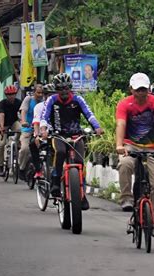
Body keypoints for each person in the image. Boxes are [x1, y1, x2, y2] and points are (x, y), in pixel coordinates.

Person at [40, 73, 103, 210]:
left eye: (66, 88)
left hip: (76, 136)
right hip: (58, 135)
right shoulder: (51, 100)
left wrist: (97, 127)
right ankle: (56, 181)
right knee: (61, 152)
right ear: (56, 89)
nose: (63, 91)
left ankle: (81, 194)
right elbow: (44, 117)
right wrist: (43, 129)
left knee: (80, 162)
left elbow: (89, 114)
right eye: (60, 88)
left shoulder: (78, 99)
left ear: (70, 88)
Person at [115, 73, 154, 237]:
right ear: (131, 89)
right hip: (131, 146)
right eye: (138, 90)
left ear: (149, 89)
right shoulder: (125, 104)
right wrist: (119, 145)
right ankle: (126, 198)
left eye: (144, 89)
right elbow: (121, 123)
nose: (141, 93)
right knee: (124, 165)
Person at [18, 84, 43, 180]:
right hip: (28, 129)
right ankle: (22, 168)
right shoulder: (28, 99)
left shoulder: (44, 102)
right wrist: (24, 122)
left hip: (40, 130)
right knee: (25, 148)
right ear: (34, 92)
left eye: (42, 93)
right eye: (38, 92)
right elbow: (23, 111)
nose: (40, 95)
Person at [29, 83, 55, 178]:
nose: (50, 97)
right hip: (42, 133)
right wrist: (37, 135)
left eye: (53, 94)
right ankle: (38, 170)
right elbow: (36, 122)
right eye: (48, 94)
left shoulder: (58, 106)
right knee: (32, 144)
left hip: (55, 134)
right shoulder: (39, 107)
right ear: (44, 96)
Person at [0, 85, 22, 177]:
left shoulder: (18, 102)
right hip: (3, 125)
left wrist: (23, 122)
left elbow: (22, 114)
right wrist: (2, 128)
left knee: (20, 129)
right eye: (9, 95)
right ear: (6, 95)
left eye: (13, 94)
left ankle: (17, 143)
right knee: (1, 144)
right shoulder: (2, 103)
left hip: (13, 123)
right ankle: (0, 166)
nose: (11, 96)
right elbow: (1, 115)